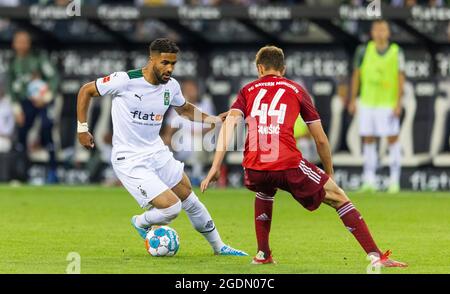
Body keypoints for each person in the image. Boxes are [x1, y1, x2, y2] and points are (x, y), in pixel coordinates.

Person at [201, 45, 407, 267]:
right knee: (339, 197)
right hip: (287, 162)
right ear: (284, 69)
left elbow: (229, 124)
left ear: (260, 68)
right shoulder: (296, 90)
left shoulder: (247, 90)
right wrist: (329, 172)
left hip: (254, 167)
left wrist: (215, 166)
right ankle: (376, 256)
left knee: (264, 188)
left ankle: (262, 254)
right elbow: (320, 139)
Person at [76, 38, 247, 256]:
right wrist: (82, 128)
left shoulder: (171, 86)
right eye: (165, 63)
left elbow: (184, 109)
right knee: (171, 207)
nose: (170, 69)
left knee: (189, 198)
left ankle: (219, 247)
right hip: (130, 159)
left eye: (173, 64)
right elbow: (85, 90)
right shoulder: (124, 80)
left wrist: (214, 120)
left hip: (156, 152)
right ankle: (140, 222)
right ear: (152, 59)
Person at [348, 20, 405, 193]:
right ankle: (369, 180)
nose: (380, 33)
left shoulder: (397, 51)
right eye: (377, 29)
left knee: (392, 139)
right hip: (367, 102)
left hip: (387, 103)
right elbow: (356, 76)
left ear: (388, 32)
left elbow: (401, 78)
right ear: (372, 32)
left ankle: (394, 180)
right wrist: (353, 99)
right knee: (368, 139)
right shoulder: (363, 50)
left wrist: (398, 102)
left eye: (383, 29)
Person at [7, 30, 59, 183]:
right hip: (25, 103)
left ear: (29, 43)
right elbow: (10, 89)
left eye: (25, 41)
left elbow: (54, 77)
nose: (22, 44)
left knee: (46, 128)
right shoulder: (13, 63)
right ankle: (20, 173)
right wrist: (16, 110)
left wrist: (46, 97)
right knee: (20, 135)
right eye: (19, 41)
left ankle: (53, 173)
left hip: (42, 101)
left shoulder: (39, 59)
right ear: (14, 44)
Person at [162, 79, 216, 186]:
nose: (191, 91)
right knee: (165, 145)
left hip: (203, 139)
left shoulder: (205, 104)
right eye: (187, 89)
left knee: (196, 142)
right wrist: (166, 138)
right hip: (182, 141)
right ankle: (168, 179)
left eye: (193, 89)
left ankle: (197, 175)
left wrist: (198, 133)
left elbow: (212, 125)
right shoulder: (178, 107)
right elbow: (170, 127)